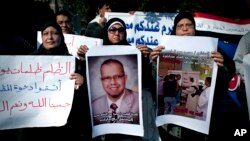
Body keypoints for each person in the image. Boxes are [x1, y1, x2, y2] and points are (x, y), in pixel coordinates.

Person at [150, 11, 236, 140]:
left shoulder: (211, 49)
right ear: (175, 30)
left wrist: (221, 66)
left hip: (198, 127)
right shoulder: (164, 49)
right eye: (180, 26)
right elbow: (152, 82)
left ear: (194, 29)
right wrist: (152, 62)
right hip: (171, 127)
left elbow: (224, 78)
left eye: (189, 25)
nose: (185, 29)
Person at [78, 17, 159, 141]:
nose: (117, 33)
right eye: (112, 29)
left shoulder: (136, 53)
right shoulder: (95, 54)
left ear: (125, 77)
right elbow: (86, 83)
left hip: (131, 131)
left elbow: (147, 82)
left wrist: (144, 58)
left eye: (121, 30)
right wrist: (83, 61)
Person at [22, 21, 92, 141]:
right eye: (46, 33)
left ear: (61, 37)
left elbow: (85, 95)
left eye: (54, 33)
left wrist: (83, 81)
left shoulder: (73, 62)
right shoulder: (29, 61)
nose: (50, 37)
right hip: (36, 124)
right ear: (42, 37)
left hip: (64, 125)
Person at [92, 58, 139, 125]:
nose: (113, 82)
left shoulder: (140, 101)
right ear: (101, 81)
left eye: (117, 77)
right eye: (107, 78)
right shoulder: (94, 106)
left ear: (125, 78)